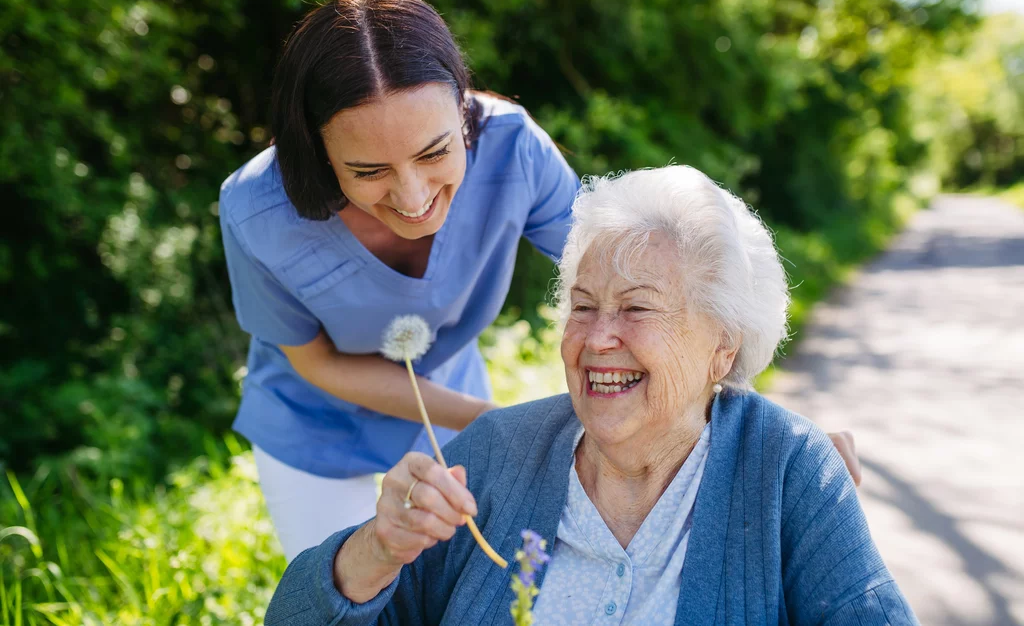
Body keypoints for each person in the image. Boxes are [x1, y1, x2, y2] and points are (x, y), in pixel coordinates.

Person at [219, 0, 862, 562]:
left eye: (435, 153)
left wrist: (779, 436)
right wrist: (500, 425)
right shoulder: (255, 210)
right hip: (313, 428)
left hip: (450, 396)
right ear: (316, 149)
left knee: (468, 593)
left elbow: (664, 290)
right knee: (351, 594)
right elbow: (319, 364)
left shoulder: (514, 148)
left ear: (463, 109)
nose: (413, 197)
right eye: (368, 172)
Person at [264, 166, 917, 625]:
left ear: (724, 345)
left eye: (636, 308)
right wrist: (378, 549)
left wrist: (795, 463)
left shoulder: (790, 473)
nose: (598, 338)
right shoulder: (491, 458)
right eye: (582, 306)